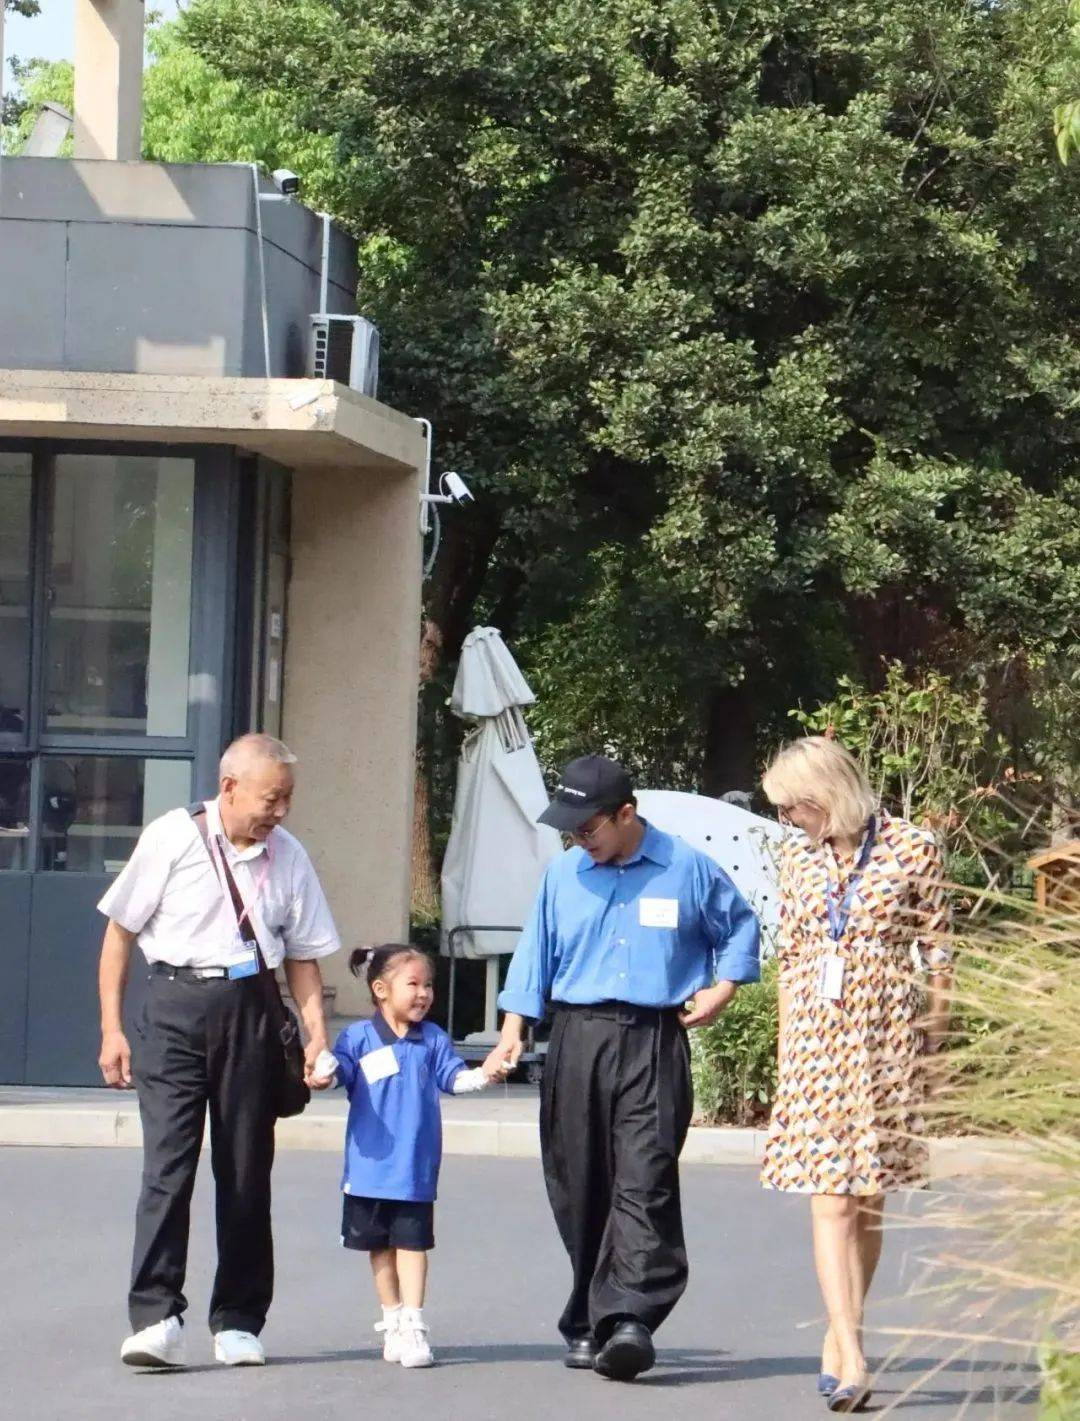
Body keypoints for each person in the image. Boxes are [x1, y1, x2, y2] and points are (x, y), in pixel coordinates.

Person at [484, 754, 760, 1381]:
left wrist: (723, 989)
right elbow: (534, 956)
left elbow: (740, 929)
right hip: (577, 1039)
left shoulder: (686, 867)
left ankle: (630, 1317)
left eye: (588, 828)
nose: (578, 840)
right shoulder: (562, 876)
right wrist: (511, 1032)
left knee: (645, 1177)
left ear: (626, 814)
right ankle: (588, 1318)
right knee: (579, 1182)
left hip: (653, 1038)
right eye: (570, 831)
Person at [97, 733, 340, 1370]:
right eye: (270, 798)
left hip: (251, 1011)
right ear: (229, 788)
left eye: (287, 798)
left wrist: (316, 1034)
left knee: (245, 1169)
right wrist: (112, 1029)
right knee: (168, 1167)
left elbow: (304, 957)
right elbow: (119, 934)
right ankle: (155, 1317)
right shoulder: (171, 838)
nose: (280, 811)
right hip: (173, 1007)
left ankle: (238, 1320)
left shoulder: (290, 856)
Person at [759, 736, 952, 1414]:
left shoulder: (913, 848)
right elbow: (791, 955)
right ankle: (852, 1352)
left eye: (793, 807)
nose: (788, 819)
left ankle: (843, 1335)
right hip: (817, 1041)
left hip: (887, 1037)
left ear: (826, 796)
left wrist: (935, 1039)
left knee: (868, 1199)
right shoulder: (797, 858)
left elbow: (939, 951)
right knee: (830, 1200)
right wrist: (787, 1051)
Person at [327, 944, 508, 1368]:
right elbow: (340, 1074)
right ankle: (392, 1321)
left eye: (428, 985)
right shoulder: (356, 1037)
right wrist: (322, 1070)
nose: (424, 993)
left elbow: (453, 1079)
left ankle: (413, 1323)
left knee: (411, 1244)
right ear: (381, 989)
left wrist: (484, 1075)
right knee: (378, 1247)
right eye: (413, 984)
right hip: (368, 1170)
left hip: (414, 1170)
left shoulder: (434, 1039)